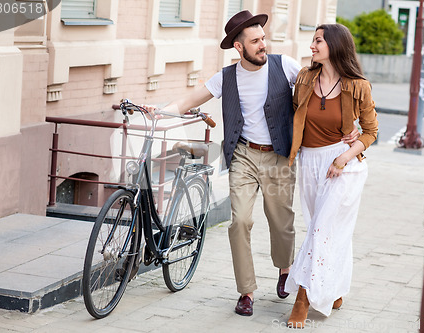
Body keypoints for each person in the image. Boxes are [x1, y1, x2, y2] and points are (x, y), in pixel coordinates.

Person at [144, 11, 357, 317]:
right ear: (239, 48)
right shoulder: (226, 77)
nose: (262, 45)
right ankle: (246, 290)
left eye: (263, 38)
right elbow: (189, 100)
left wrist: (349, 129)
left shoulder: (284, 66)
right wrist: (160, 112)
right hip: (243, 154)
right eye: (255, 41)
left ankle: (285, 270)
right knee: (240, 221)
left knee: (281, 221)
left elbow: (320, 88)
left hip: (278, 154)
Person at [283, 23, 378, 329]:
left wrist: (344, 157)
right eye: (313, 40)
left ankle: (303, 298)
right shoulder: (305, 78)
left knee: (322, 229)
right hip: (309, 161)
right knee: (324, 228)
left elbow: (371, 131)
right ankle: (335, 286)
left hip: (343, 164)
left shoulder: (358, 85)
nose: (312, 46)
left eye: (318, 41)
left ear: (335, 45)